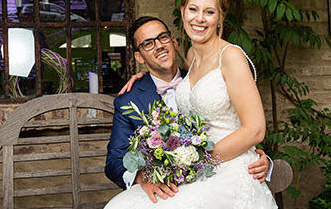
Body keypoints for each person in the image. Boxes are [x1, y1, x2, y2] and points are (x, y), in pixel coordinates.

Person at [105, 10, 276, 207]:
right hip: (171, 187)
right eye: (148, 44)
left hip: (216, 177)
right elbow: (114, 161)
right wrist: (142, 177)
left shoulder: (208, 79)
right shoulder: (129, 100)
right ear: (139, 57)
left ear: (174, 42)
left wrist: (261, 159)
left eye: (163, 37)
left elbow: (237, 123)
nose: (159, 46)